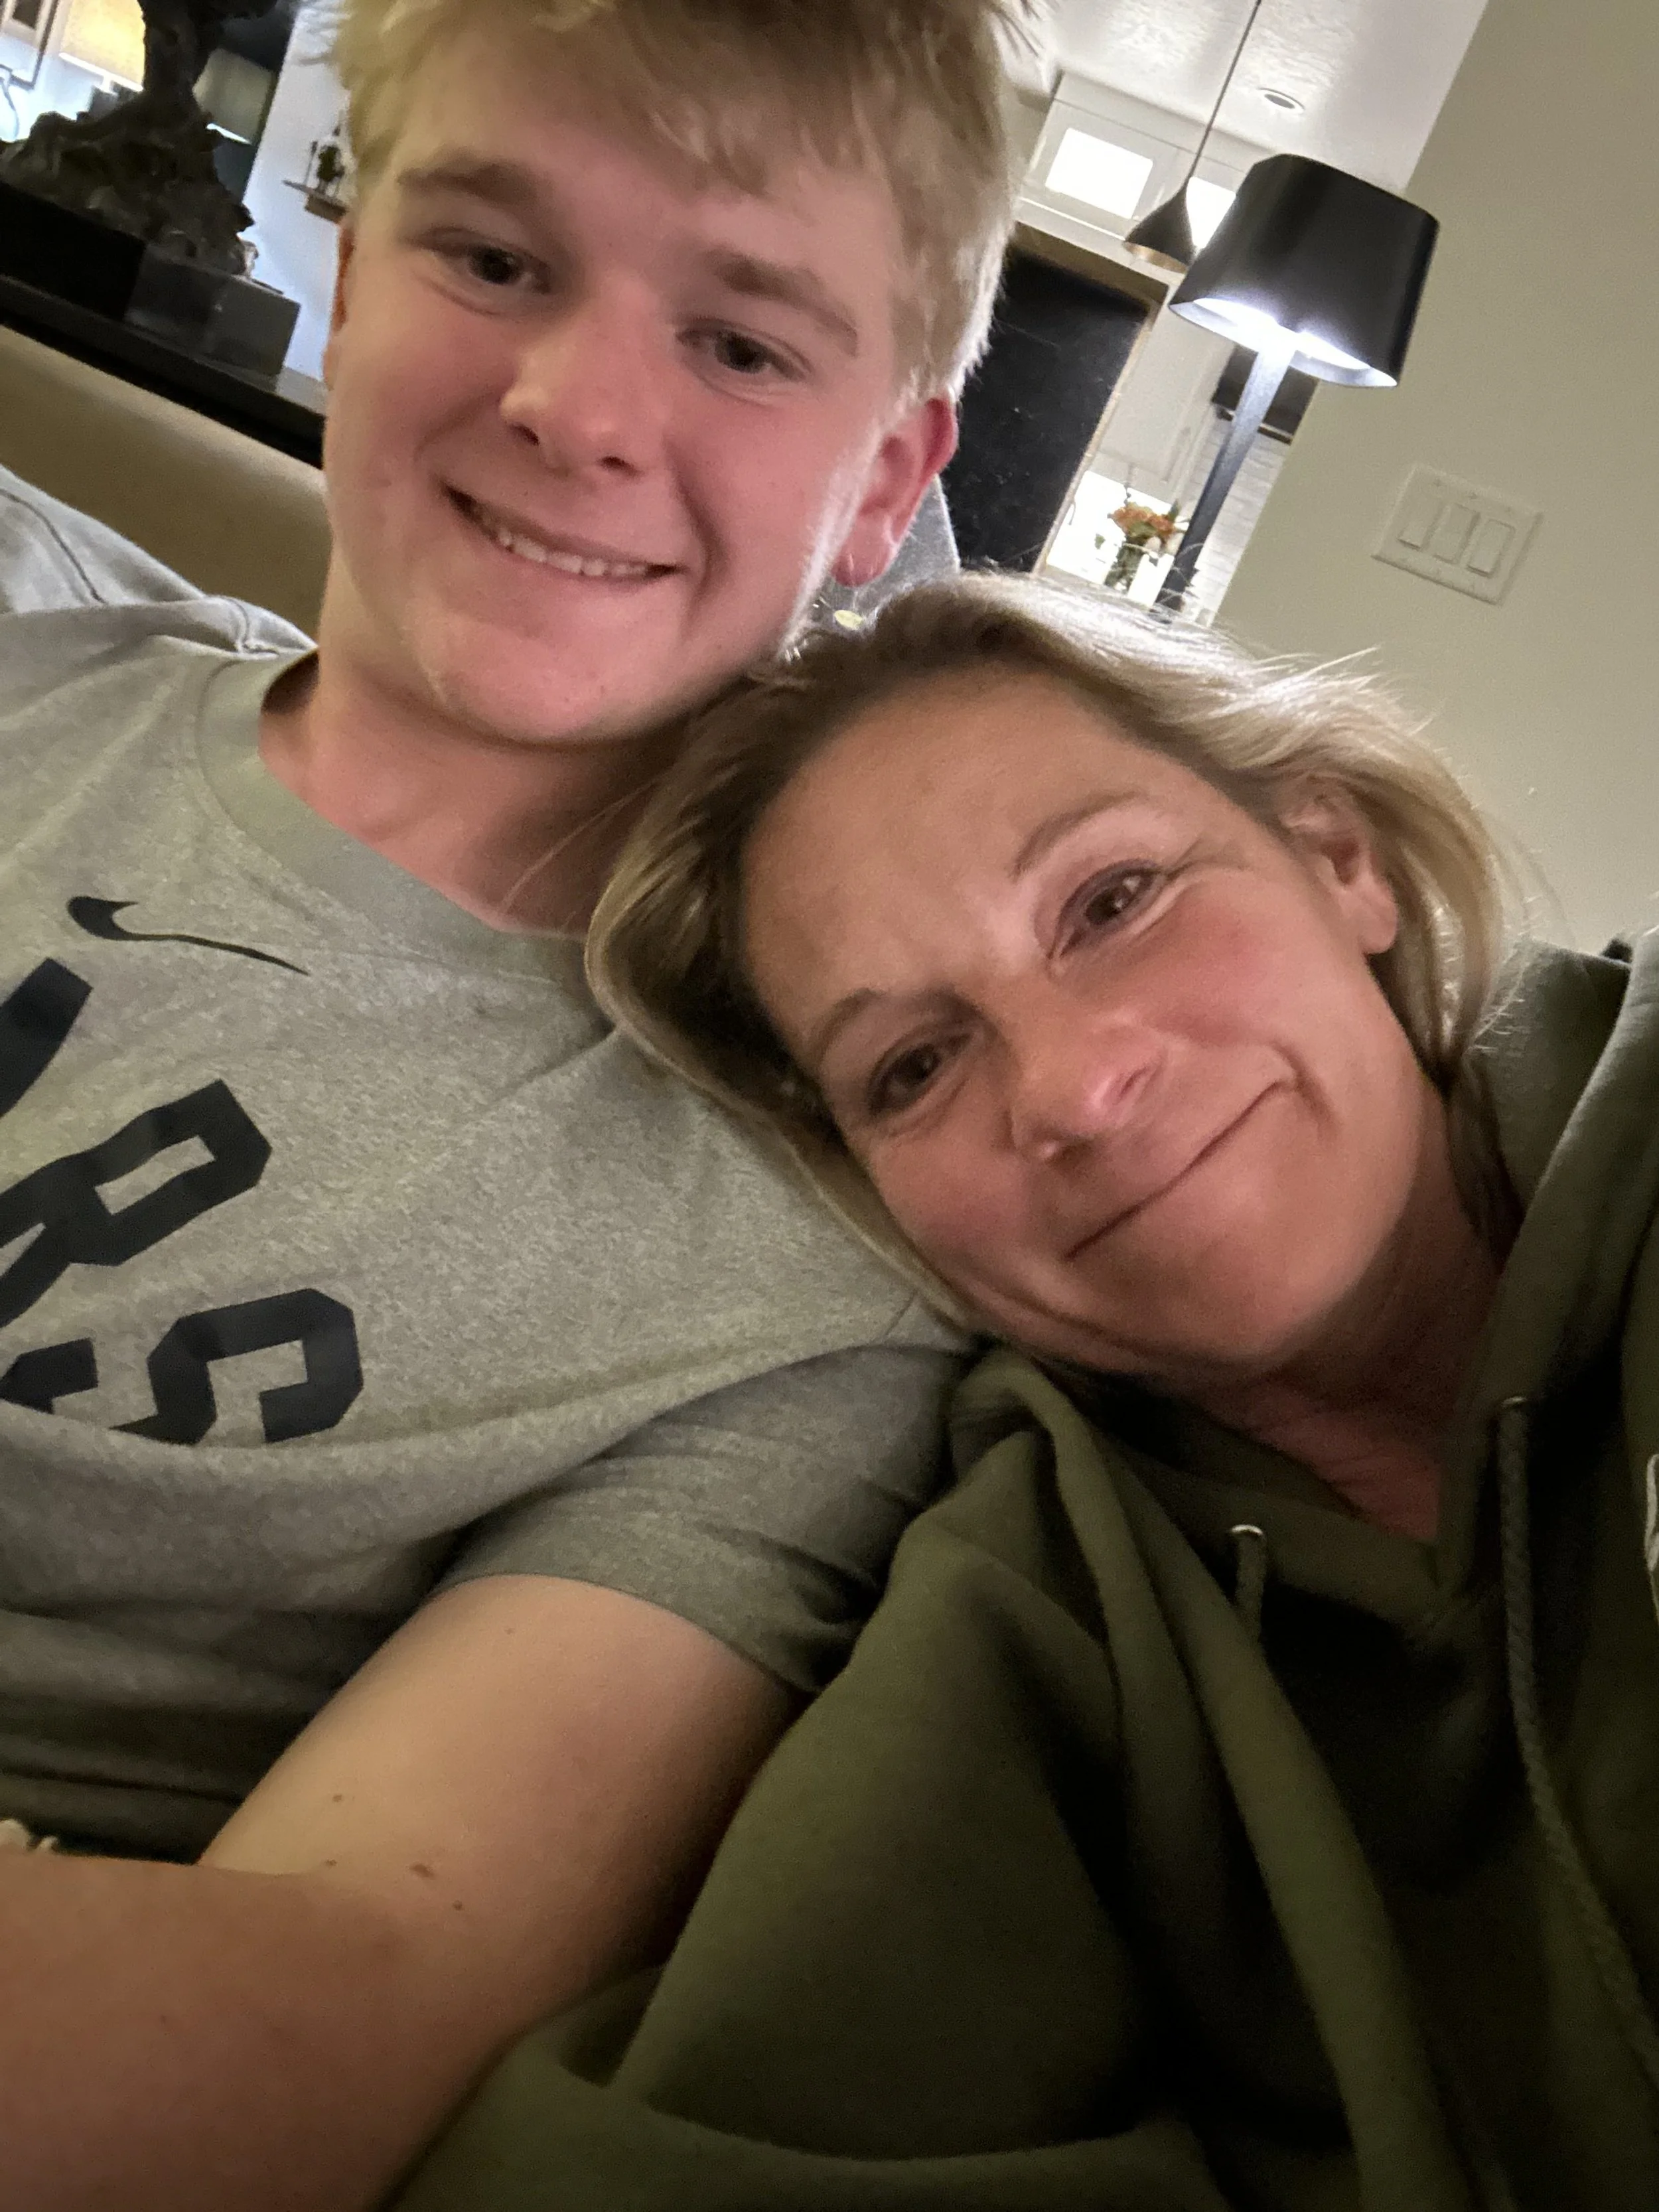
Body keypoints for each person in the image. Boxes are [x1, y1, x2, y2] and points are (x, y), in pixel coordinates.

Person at [0, 5, 1029, 2204]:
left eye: (747, 343)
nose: (576, 411)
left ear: (886, 473)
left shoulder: (804, 1263)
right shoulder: (29, 658)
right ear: (352, 275)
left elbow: (331, 2008)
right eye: (492, 259)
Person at [388, 573, 1659, 2211]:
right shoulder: (1037, 1606)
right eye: (911, 1067)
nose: (1071, 1087)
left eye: (1111, 898)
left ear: (1336, 857)